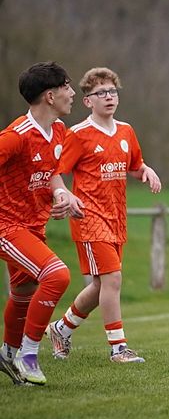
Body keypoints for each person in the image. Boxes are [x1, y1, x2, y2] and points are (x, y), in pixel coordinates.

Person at [45, 67, 162, 364]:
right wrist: (65, 195)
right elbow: (56, 173)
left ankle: (61, 329)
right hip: (89, 218)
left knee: (101, 286)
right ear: (88, 101)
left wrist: (146, 171)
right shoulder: (78, 134)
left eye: (112, 91)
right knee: (112, 279)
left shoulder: (126, 131)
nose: (109, 97)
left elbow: (134, 166)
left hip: (116, 218)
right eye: (101, 93)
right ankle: (118, 348)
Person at [0, 61, 84, 386]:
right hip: (7, 226)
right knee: (57, 275)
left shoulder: (59, 131)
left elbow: (51, 174)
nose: (72, 93)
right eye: (67, 86)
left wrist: (63, 194)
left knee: (24, 292)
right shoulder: (16, 137)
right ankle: (28, 354)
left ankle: (7, 353)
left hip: (33, 226)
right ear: (50, 95)